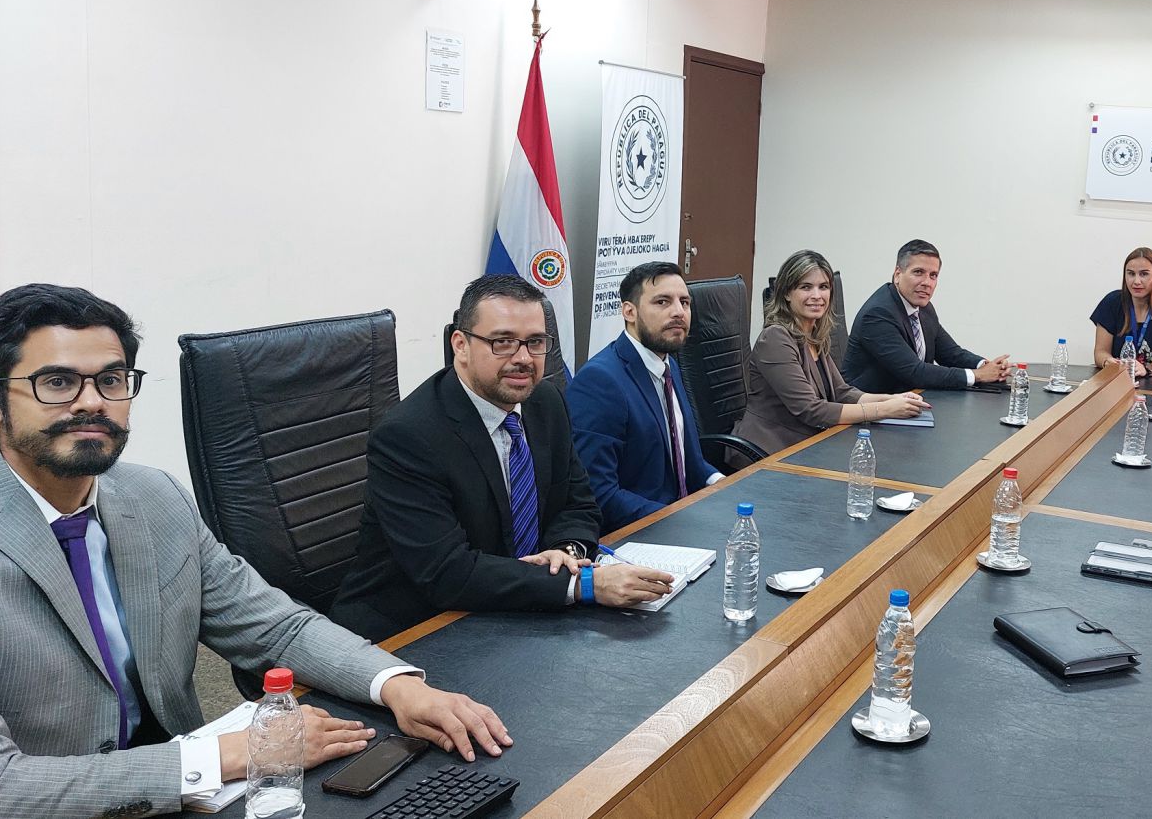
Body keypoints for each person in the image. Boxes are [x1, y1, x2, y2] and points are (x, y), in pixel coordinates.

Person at [0, 284, 511, 819]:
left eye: (110, 380)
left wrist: (396, 685)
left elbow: (274, 626)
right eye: (56, 382)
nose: (92, 402)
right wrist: (219, 757)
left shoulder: (154, 498)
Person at [334, 274, 674, 642]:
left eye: (535, 342)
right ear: (460, 345)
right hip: (414, 630)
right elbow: (447, 573)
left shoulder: (546, 403)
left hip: (513, 612)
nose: (524, 359)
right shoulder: (408, 437)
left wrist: (564, 553)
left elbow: (578, 504)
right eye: (503, 342)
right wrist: (582, 584)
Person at [566, 262, 721, 531]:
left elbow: (689, 463)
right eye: (662, 302)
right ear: (629, 311)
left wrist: (724, 485)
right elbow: (599, 493)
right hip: (634, 535)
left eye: (685, 302)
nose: (678, 312)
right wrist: (682, 519)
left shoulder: (668, 363)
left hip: (676, 521)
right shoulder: (600, 381)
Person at [733, 250, 927, 455]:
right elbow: (811, 410)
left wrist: (893, 399)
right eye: (806, 287)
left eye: (823, 287)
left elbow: (842, 392)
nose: (817, 296)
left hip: (808, 445)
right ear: (787, 293)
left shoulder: (814, 333)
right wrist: (884, 411)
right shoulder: (774, 338)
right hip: (770, 452)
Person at [841, 239, 1012, 393]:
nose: (927, 283)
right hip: (867, 411)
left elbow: (950, 353)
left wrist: (986, 365)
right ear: (897, 274)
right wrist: (978, 376)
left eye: (933, 275)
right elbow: (915, 372)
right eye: (918, 272)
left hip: (908, 400)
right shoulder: (878, 314)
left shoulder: (923, 307)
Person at [1089, 246, 1152, 378]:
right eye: (1131, 274)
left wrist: (1146, 368)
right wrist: (1107, 362)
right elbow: (1100, 352)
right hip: (1117, 382)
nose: (1136, 281)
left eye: (1144, 274)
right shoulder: (1112, 302)